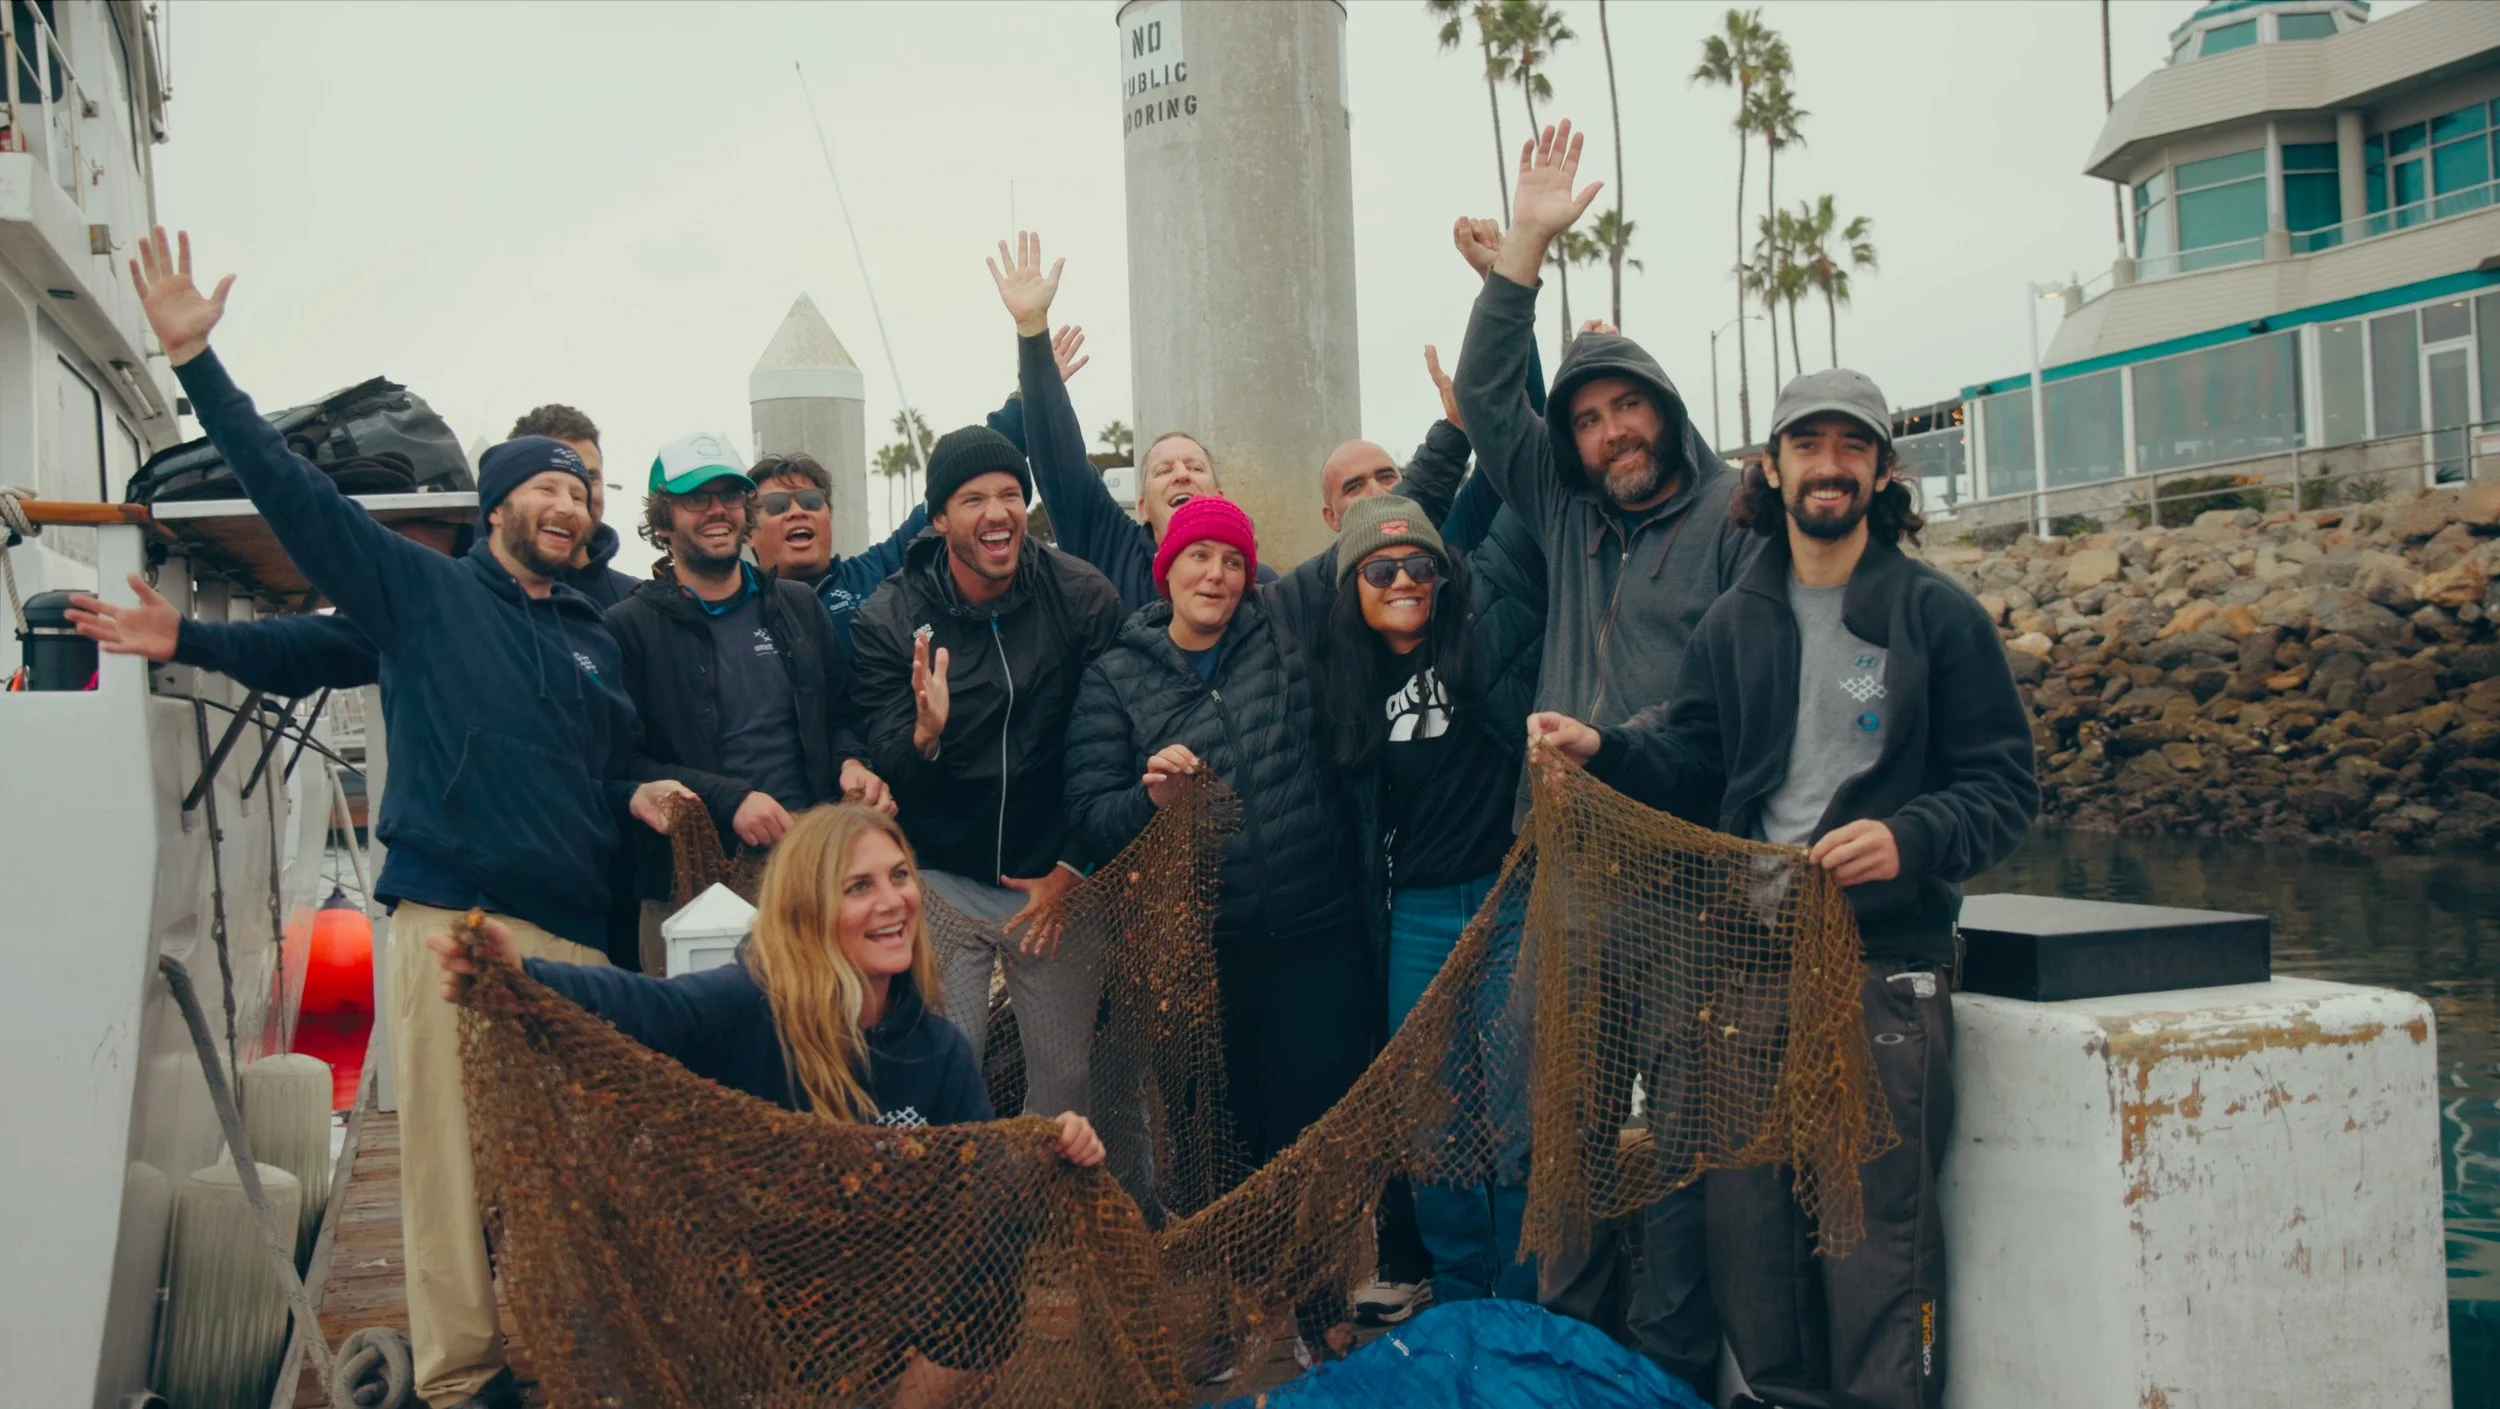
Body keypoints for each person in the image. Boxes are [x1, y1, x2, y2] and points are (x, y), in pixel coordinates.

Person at [125, 228, 694, 1409]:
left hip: (573, 942)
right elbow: (299, 501)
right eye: (541, 483)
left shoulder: (595, 638)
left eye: (578, 490)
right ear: (495, 507)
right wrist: (199, 364)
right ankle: (461, 1374)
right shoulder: (424, 593)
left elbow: (593, 774)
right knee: (443, 1162)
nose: (564, 502)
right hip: (450, 924)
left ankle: (565, 1342)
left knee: (567, 1163)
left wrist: (632, 789)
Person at [1530, 369, 2040, 1409]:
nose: (1829, 464)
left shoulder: (1935, 615)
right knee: (1747, 1224)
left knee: (1872, 1236)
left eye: (1852, 447)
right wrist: (1606, 749)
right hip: (1749, 960)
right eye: (1807, 444)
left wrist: (1907, 837)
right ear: (1771, 466)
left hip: (1885, 963)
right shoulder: (1737, 616)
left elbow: (2003, 789)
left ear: (1883, 471)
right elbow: (1692, 752)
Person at [428, 803, 1107, 1409]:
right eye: (859, 886)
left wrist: (1052, 1144)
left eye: (900, 876)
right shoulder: (748, 1004)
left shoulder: (940, 1051)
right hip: (745, 1295)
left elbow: (984, 1174)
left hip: (878, 1285)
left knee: (992, 1252)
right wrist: (524, 977)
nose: (893, 901)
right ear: (809, 910)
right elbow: (644, 1007)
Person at [1449, 123, 1758, 1382]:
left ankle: (1671, 1367)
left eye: (1630, 406)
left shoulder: (1740, 515)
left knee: (1682, 1143)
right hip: (1570, 883)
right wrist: (1521, 252)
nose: (1612, 431)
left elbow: (1735, 717)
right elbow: (1483, 395)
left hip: (1693, 885)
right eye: (1589, 417)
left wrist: (1614, 746)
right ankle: (1570, 1361)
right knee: (1565, 1134)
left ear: (1665, 411)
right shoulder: (1566, 508)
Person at [1061, 494, 1370, 1356]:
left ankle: (1318, 1308)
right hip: (1202, 958)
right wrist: (1148, 799)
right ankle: (1234, 1311)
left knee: (1313, 1136)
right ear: (1166, 568)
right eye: (1199, 557)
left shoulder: (1279, 633)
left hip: (1316, 935)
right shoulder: (1118, 674)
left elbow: (1377, 528)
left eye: (1233, 561)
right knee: (1215, 1146)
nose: (1217, 576)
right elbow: (1088, 814)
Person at [847, 421, 1124, 1136]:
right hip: (942, 875)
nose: (997, 511)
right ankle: (952, 1230)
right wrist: (925, 735)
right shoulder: (889, 615)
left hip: (1055, 875)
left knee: (1065, 1081)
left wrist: (1071, 861)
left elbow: (1110, 742)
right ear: (940, 518)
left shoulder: (1082, 595)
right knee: (946, 1068)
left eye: (1010, 494)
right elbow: (884, 758)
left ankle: (1056, 1233)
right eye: (973, 498)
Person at [991, 232, 1470, 613]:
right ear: (1141, 506)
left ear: (1220, 497)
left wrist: (1454, 434)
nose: (1181, 473)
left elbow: (1379, 534)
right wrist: (1032, 333)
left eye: (1195, 467)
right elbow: (1062, 466)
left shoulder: (1263, 590)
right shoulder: (1110, 548)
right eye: (1163, 470)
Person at [1315, 495, 1538, 1309]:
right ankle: (1459, 1287)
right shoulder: (1346, 679)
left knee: (1516, 1110)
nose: (1404, 579)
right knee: (1433, 1115)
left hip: (1510, 900)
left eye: (1421, 566)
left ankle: (1520, 1293)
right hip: (1415, 914)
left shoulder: (1489, 637)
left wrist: (1473, 416)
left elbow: (1518, 486)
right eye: (1382, 568)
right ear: (1355, 587)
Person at [603, 433, 892, 974]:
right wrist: (730, 800)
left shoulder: (798, 606)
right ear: (662, 522)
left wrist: (853, 763)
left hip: (809, 872)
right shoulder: (627, 627)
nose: (717, 510)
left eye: (730, 496)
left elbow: (841, 718)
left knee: (822, 1048)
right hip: (688, 893)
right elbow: (624, 766)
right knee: (701, 1056)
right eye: (696, 499)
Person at [747, 333, 1090, 658]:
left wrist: (1030, 392)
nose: (798, 512)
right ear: (748, 530)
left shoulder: (873, 576)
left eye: (810, 501)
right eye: (778, 505)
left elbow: (966, 473)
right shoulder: (735, 608)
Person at [508, 403, 640, 608]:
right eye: (551, 484)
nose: (571, 500)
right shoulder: (469, 596)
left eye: (590, 477)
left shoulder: (636, 604)